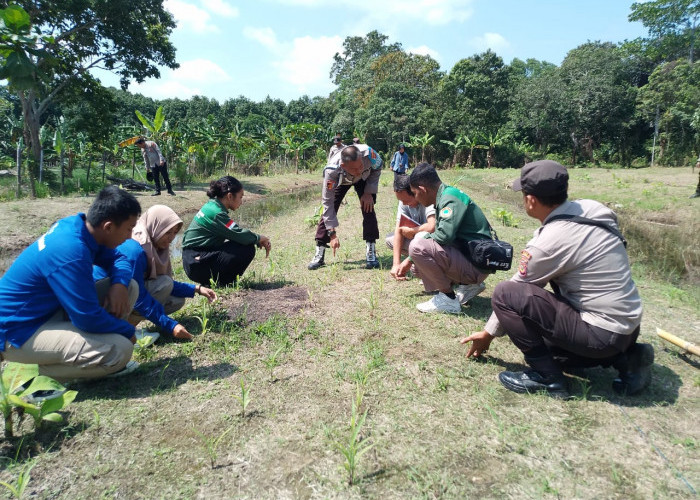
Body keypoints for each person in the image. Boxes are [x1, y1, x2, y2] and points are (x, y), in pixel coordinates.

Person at [461, 160, 650, 399]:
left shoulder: (548, 242)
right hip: (629, 326)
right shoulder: (593, 208)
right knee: (552, 349)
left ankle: (548, 378)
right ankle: (628, 357)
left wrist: (487, 334)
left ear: (530, 200)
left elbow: (515, 290)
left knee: (505, 293)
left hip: (601, 333)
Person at [0, 186, 142, 382]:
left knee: (130, 287)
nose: (130, 236)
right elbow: (87, 318)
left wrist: (119, 284)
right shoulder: (71, 251)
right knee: (120, 350)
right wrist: (127, 331)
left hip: (48, 312)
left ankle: (66, 358)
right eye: (129, 229)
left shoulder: (80, 228)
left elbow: (119, 259)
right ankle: (29, 377)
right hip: (18, 330)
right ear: (108, 226)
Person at [94, 205, 217, 342]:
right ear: (156, 226)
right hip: (103, 299)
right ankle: (122, 333)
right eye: (167, 232)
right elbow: (138, 297)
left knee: (175, 299)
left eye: (175, 233)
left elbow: (155, 282)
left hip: (122, 294)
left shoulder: (151, 246)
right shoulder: (136, 249)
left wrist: (197, 289)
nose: (171, 238)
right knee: (163, 285)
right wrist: (171, 326)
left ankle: (127, 328)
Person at [398, 163, 490, 313]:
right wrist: (411, 261)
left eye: (414, 193)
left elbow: (444, 235)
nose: (415, 198)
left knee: (417, 247)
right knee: (418, 268)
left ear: (422, 189)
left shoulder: (449, 199)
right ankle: (467, 285)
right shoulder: (446, 195)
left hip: (476, 264)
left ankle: (448, 299)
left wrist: (410, 258)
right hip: (472, 258)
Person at [182, 176, 271, 287]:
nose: (241, 202)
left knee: (242, 244)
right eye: (240, 197)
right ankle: (223, 283)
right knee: (246, 249)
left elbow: (236, 233)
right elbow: (239, 233)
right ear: (229, 196)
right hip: (196, 263)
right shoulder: (216, 213)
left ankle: (219, 281)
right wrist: (259, 238)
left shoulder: (212, 205)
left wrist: (255, 239)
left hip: (193, 259)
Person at [308, 143, 383, 270]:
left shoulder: (369, 154)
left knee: (368, 208)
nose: (358, 170)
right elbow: (327, 202)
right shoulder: (332, 171)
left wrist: (369, 191)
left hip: (365, 179)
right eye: (355, 169)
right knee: (330, 209)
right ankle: (319, 252)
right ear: (343, 165)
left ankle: (371, 250)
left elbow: (378, 168)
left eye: (360, 165)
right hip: (342, 180)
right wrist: (332, 233)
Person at [386, 172, 436, 281]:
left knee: (420, 237)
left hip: (433, 241)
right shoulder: (403, 202)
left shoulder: (428, 199)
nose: (403, 204)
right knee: (390, 240)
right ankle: (419, 261)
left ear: (415, 192)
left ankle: (424, 265)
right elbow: (398, 230)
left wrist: (412, 231)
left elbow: (432, 227)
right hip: (419, 241)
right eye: (401, 201)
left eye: (406, 200)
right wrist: (396, 264)